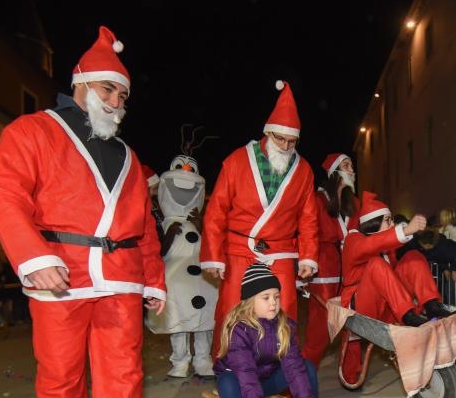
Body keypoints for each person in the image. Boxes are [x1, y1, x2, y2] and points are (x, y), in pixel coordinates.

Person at [0, 27, 169, 398]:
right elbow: (6, 193)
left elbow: (145, 226)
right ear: (81, 81)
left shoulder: (130, 157)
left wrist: (154, 279)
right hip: (60, 277)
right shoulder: (31, 131)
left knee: (124, 379)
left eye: (123, 94)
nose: (115, 100)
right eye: (108, 89)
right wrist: (33, 256)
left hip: (121, 281)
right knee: (60, 378)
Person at [201, 80, 318, 358]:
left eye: (292, 141)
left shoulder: (304, 171)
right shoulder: (237, 161)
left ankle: (280, 381)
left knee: (284, 313)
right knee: (232, 312)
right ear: (267, 132)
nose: (286, 145)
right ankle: (230, 375)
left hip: (281, 252)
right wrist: (214, 255)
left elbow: (308, 217)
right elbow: (216, 210)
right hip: (239, 250)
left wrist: (308, 256)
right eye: (280, 139)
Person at [213, 263, 331, 398]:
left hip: (266, 381)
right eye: (265, 297)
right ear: (250, 300)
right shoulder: (239, 330)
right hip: (241, 384)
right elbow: (246, 373)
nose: (274, 303)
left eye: (276, 297)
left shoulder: (283, 325)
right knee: (226, 382)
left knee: (305, 366)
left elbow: (293, 367)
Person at [340, 192, 456, 385]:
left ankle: (431, 304)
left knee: (413, 257)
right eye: (387, 220)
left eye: (392, 220)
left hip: (388, 306)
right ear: (373, 222)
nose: (392, 224)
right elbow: (371, 245)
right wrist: (404, 230)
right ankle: (408, 317)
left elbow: (392, 278)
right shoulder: (354, 240)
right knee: (377, 265)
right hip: (361, 306)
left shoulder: (388, 249)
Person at [146, 156, 218, 379]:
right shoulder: (159, 220)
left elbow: (213, 244)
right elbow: (154, 250)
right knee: (178, 319)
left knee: (205, 318)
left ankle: (203, 359)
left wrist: (201, 226)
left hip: (203, 278)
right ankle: (180, 360)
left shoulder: (201, 218)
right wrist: (167, 235)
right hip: (175, 277)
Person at [301, 152, 358, 368]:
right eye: (346, 165)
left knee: (354, 326)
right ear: (335, 172)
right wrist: (305, 265)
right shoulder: (318, 200)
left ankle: (352, 374)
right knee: (321, 331)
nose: (352, 170)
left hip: (350, 270)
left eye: (352, 165)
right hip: (324, 271)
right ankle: (300, 383)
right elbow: (308, 234)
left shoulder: (353, 202)